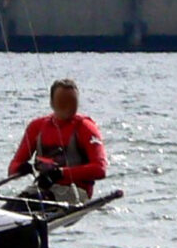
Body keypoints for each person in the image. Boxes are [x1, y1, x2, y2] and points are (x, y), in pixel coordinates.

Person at [6, 78, 107, 208]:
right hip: (42, 189)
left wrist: (61, 173)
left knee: (29, 205)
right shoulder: (37, 127)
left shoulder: (86, 128)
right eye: (63, 102)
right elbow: (13, 167)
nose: (68, 108)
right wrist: (21, 168)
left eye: (72, 102)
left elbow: (100, 169)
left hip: (75, 192)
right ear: (52, 103)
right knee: (11, 207)